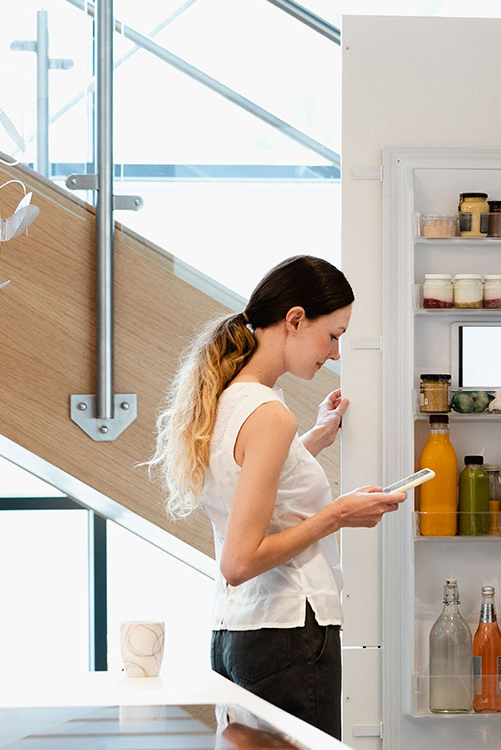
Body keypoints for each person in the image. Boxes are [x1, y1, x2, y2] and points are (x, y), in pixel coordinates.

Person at [148, 255, 405, 739]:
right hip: (291, 634)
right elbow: (239, 561)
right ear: (294, 319)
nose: (334, 353)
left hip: (238, 635)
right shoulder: (269, 415)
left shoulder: (228, 400)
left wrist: (310, 443)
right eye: (333, 335)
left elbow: (250, 485)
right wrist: (337, 515)